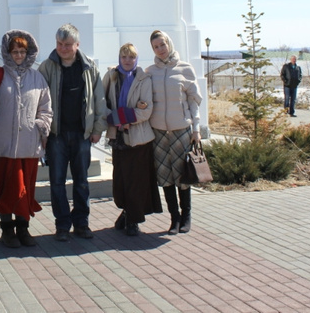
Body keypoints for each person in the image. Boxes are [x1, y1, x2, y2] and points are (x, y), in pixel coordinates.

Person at [38, 24, 108, 242]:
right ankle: (62, 225)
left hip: (82, 135)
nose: (63, 48)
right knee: (57, 182)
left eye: (67, 44)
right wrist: (43, 132)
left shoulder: (89, 68)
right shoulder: (47, 67)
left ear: (77, 44)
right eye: (59, 44)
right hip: (56, 135)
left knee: (82, 181)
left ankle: (81, 223)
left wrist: (98, 129)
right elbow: (39, 101)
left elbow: (99, 100)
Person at [0, 30, 52, 248]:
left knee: (25, 189)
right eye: (15, 52)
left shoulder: (37, 78)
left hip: (28, 146)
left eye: (23, 51)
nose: (19, 55)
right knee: (4, 188)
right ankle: (7, 230)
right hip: (2, 146)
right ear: (7, 52)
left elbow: (46, 108)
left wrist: (40, 126)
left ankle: (23, 229)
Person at [102, 43, 162, 236]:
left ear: (137, 59)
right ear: (119, 58)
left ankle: (133, 220)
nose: (127, 60)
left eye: (131, 57)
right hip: (118, 137)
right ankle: (126, 212)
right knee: (121, 179)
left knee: (136, 181)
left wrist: (125, 119)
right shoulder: (111, 76)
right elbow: (101, 103)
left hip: (139, 138)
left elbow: (146, 110)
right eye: (124, 57)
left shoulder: (144, 79)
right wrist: (120, 120)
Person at [147, 30, 202, 235]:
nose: (160, 49)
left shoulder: (185, 69)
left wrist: (196, 129)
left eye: (162, 44)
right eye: (156, 47)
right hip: (159, 131)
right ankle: (174, 219)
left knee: (182, 175)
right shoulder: (150, 72)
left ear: (169, 43)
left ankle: (186, 216)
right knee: (165, 176)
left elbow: (194, 101)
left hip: (181, 129)